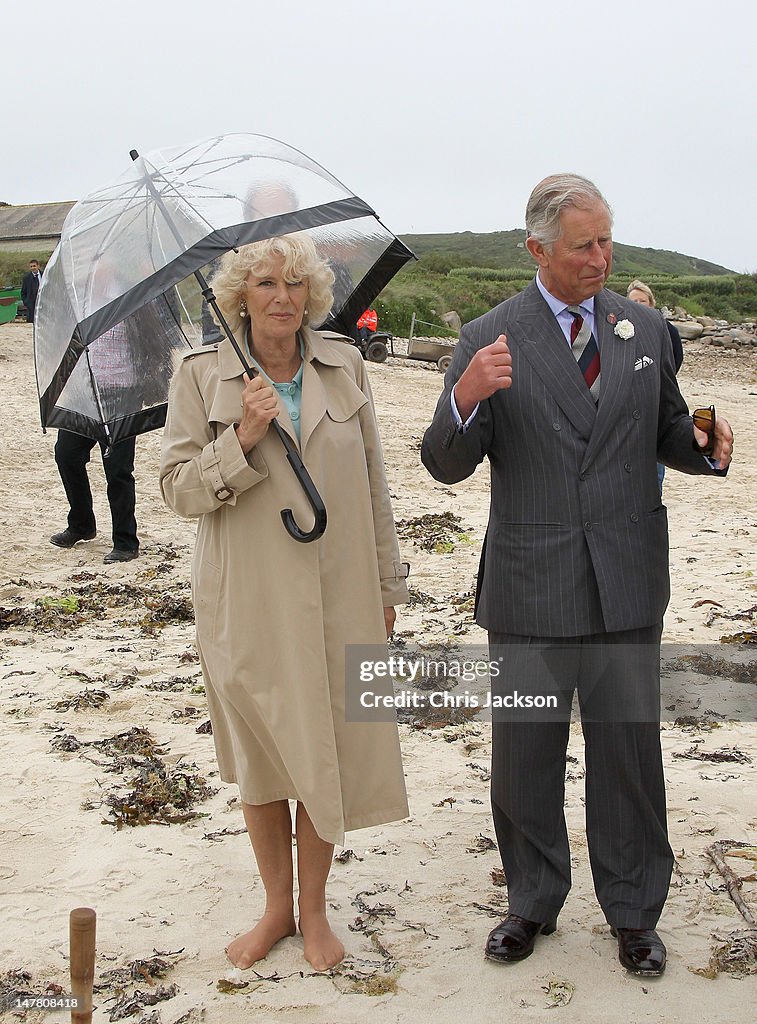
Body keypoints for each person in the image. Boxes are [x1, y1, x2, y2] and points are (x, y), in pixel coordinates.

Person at [421, 174, 733, 978]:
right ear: (537, 250)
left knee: (627, 755)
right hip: (530, 583)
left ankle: (633, 912)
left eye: (606, 240)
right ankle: (530, 902)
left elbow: (666, 430)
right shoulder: (490, 338)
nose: (601, 257)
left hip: (626, 578)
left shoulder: (645, 329)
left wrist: (702, 448)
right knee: (523, 753)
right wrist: (462, 397)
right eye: (583, 245)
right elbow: (445, 465)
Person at [159, 233, 409, 973]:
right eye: (265, 282)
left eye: (295, 284)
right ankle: (275, 908)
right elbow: (176, 491)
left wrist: (387, 584)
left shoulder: (343, 364)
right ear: (239, 295)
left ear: (313, 294)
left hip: (340, 591)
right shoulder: (201, 374)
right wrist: (243, 435)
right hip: (248, 598)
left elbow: (372, 481)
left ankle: (314, 910)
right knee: (265, 755)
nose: (281, 296)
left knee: (327, 743)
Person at [50, 319, 140, 564]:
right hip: (83, 391)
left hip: (120, 391)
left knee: (118, 469)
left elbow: (147, 341)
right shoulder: (79, 296)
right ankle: (82, 524)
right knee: (66, 454)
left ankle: (125, 541)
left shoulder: (126, 292)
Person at [626, 280, 684, 494]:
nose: (639, 304)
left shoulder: (667, 330)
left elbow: (675, 359)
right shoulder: (618, 328)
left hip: (655, 398)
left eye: (642, 300)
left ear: (651, 303)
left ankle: (654, 493)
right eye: (634, 301)